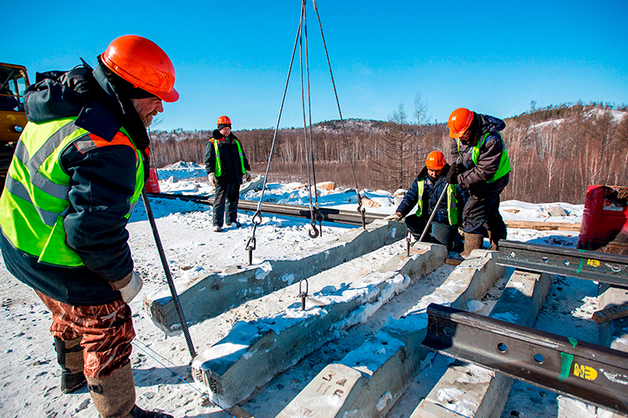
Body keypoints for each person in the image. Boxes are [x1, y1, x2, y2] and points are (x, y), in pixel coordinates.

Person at [0, 35, 177, 418]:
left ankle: (73, 375)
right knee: (108, 324)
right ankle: (121, 413)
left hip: (17, 239)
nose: (159, 107)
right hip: (53, 254)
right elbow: (92, 235)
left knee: (67, 311)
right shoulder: (106, 141)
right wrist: (124, 278)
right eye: (154, 97)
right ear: (128, 90)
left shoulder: (63, 104)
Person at [446, 107, 511, 257]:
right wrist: (457, 167)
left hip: (493, 180)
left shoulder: (491, 139)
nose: (460, 138)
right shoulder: (459, 132)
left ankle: (471, 254)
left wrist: (459, 179)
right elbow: (456, 151)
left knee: (472, 214)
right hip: (478, 175)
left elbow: (484, 172)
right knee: (490, 212)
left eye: (463, 135)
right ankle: (498, 248)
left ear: (471, 126)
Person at [384, 150, 465, 252]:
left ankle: (455, 240)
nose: (434, 174)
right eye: (431, 170)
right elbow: (410, 196)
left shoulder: (452, 178)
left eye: (437, 171)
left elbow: (464, 198)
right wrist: (400, 212)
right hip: (425, 217)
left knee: (439, 248)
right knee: (410, 222)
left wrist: (464, 219)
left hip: (444, 219)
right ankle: (426, 241)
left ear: (443, 167)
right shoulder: (422, 179)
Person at [205, 115, 251, 232]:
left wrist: (247, 170)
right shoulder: (213, 142)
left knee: (233, 200)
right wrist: (210, 173)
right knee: (219, 201)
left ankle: (231, 221)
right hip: (222, 176)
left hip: (235, 175)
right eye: (224, 128)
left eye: (228, 128)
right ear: (219, 128)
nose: (226, 130)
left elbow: (242, 157)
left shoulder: (236, 141)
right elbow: (209, 159)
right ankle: (217, 223)